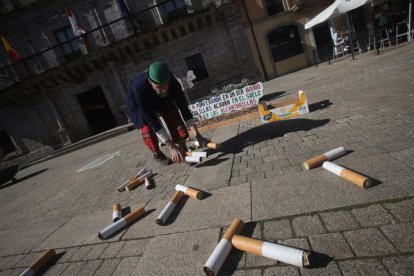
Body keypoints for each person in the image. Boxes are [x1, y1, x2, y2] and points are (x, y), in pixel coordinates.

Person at [125, 61, 209, 165]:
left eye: (166, 85)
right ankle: (157, 154)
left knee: (174, 117)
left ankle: (182, 149)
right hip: (138, 105)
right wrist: (171, 146)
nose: (164, 89)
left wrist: (198, 136)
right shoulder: (139, 87)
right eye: (159, 86)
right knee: (147, 127)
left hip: (161, 100)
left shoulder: (174, 84)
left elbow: (184, 109)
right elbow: (152, 119)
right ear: (151, 83)